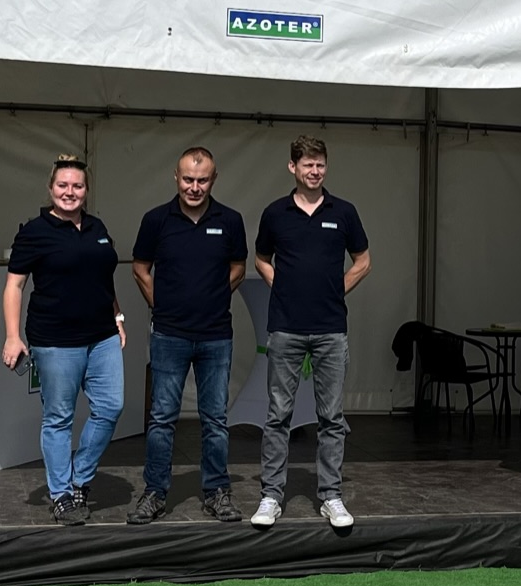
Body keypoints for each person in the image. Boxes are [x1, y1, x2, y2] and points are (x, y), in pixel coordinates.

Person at [251, 136, 372, 530]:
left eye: (320, 164)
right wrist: (282, 286)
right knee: (278, 415)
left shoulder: (344, 212)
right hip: (285, 327)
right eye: (307, 164)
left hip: (330, 328)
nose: (314, 171)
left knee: (331, 417)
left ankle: (331, 495)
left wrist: (337, 289)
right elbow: (261, 259)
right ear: (293, 167)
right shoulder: (275, 213)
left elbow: (363, 261)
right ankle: (271, 495)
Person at [3, 155, 127, 525]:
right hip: (55, 340)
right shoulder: (34, 232)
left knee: (111, 407)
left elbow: (103, 278)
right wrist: (12, 336)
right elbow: (14, 286)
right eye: (62, 185)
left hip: (102, 336)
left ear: (86, 191)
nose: (69, 192)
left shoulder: (97, 227)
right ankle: (61, 494)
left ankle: (78, 480)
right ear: (51, 188)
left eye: (77, 186)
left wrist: (118, 316)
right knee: (59, 418)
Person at [129, 147, 249, 524]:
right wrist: (160, 304)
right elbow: (140, 268)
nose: (194, 187)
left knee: (215, 419)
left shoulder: (230, 220)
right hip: (169, 335)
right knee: (162, 418)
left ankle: (217, 492)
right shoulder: (156, 220)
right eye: (187, 179)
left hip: (216, 336)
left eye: (202, 180)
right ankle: (154, 493)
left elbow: (239, 267)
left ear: (214, 179)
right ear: (176, 177)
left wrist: (214, 297)